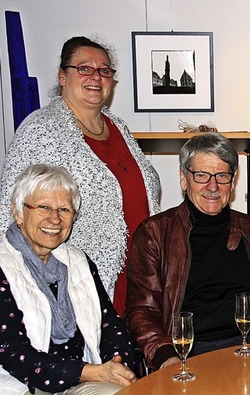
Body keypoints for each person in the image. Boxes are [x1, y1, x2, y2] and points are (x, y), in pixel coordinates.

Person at [0, 36, 161, 315]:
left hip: (136, 279)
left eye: (104, 71)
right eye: (84, 68)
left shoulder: (118, 127)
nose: (96, 77)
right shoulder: (41, 130)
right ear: (63, 76)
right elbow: (8, 212)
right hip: (75, 285)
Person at [125, 133, 250, 371]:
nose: (213, 186)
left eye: (222, 176)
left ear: (233, 181)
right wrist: (166, 358)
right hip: (187, 354)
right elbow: (141, 311)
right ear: (184, 178)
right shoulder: (155, 233)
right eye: (202, 175)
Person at [0, 165, 137, 395]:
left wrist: (118, 366)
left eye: (64, 209)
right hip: (16, 382)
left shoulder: (79, 262)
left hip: (77, 378)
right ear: (18, 212)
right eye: (43, 207)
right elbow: (11, 351)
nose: (55, 219)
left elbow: (111, 326)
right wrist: (90, 372)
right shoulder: (2, 263)